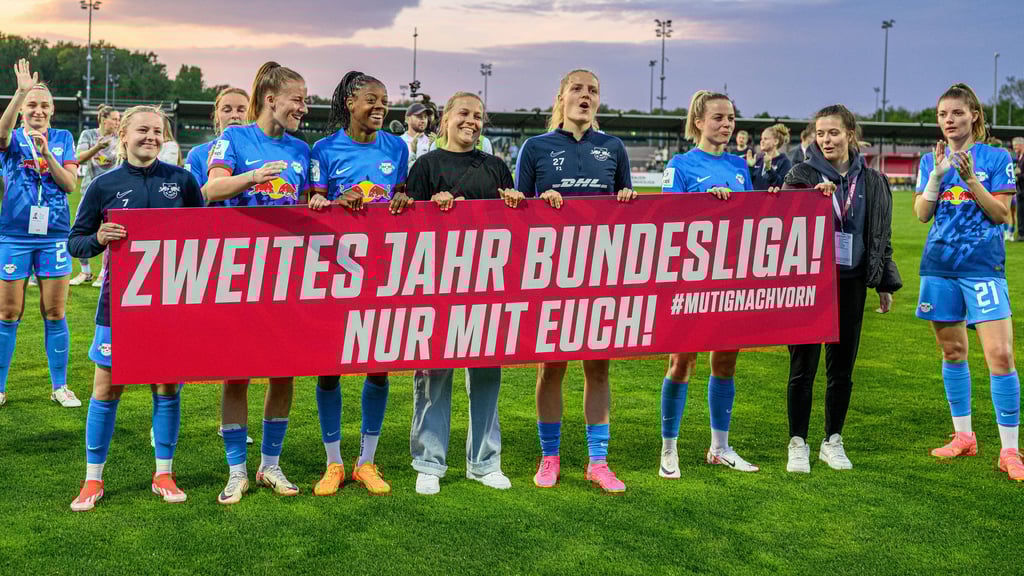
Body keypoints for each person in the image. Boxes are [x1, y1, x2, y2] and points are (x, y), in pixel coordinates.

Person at [67, 105, 205, 511]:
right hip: (118, 307)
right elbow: (75, 241)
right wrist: (99, 238)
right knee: (107, 388)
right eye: (143, 130)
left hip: (169, 307)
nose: (151, 137)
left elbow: (204, 238)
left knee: (166, 385)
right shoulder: (103, 186)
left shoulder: (182, 182)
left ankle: (164, 471)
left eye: (158, 131)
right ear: (123, 134)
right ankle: (93, 479)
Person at [515, 69, 636, 493]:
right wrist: (538, 204)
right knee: (552, 365)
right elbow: (516, 213)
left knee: (598, 367)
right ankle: (550, 457)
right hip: (551, 273)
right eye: (578, 89)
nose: (586, 96)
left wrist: (626, 199)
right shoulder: (536, 147)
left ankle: (598, 462)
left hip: (599, 273)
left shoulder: (613, 148)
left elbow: (628, 214)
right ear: (561, 97)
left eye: (593, 91)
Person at [402, 91, 521, 495]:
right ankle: (429, 462)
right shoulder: (425, 166)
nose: (472, 121)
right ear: (445, 120)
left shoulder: (497, 167)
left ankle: (485, 461)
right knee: (434, 374)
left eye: (479, 116)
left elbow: (514, 228)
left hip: (486, 284)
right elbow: (407, 230)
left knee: (487, 373)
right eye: (464, 114)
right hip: (437, 283)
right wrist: (430, 209)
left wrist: (516, 204)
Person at [205, 61, 311, 503]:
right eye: (298, 99)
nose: (304, 108)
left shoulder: (304, 150)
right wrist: (252, 177)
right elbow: (210, 192)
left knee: (283, 372)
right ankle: (236, 470)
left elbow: (307, 205)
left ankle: (270, 465)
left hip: (287, 276)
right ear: (271, 99)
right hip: (239, 274)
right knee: (237, 373)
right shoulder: (233, 138)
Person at [306, 70, 410, 497]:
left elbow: (403, 199)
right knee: (329, 368)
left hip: (382, 271)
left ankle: (366, 461)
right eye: (371, 99)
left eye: (384, 100)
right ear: (349, 101)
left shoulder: (397, 148)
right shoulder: (324, 150)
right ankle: (333, 463)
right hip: (334, 270)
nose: (380, 107)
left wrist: (405, 200)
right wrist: (333, 202)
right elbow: (311, 206)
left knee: (378, 365)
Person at [782, 104, 902, 473]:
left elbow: (882, 236)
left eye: (833, 132)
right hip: (810, 285)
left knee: (842, 369)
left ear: (851, 134)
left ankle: (832, 439)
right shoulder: (801, 174)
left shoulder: (874, 181)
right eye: (820, 133)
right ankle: (798, 442)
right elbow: (783, 223)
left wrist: (885, 281)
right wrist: (809, 201)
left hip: (851, 284)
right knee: (803, 367)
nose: (826, 139)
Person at [913, 83, 1022, 481]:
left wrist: (971, 180)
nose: (949, 121)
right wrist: (938, 176)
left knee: (1000, 356)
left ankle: (1010, 450)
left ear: (974, 115)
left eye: (956, 113)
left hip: (982, 268)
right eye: (943, 115)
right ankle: (965, 436)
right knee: (953, 353)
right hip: (939, 267)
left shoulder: (997, 158)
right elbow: (922, 214)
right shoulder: (932, 159)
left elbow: (1003, 215)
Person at [659, 90, 758, 476]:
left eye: (731, 118)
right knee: (682, 361)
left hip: (729, 278)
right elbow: (668, 217)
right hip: (690, 278)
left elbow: (750, 218)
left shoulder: (739, 165)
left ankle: (720, 446)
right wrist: (707, 205)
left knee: (726, 361)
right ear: (698, 121)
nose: (727, 124)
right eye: (718, 117)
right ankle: (669, 448)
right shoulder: (681, 164)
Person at [0, 59, 79, 409]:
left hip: (54, 235)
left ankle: (60, 386)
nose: (38, 110)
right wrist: (18, 93)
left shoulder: (63, 138)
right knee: (7, 312)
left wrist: (48, 152)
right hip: (14, 234)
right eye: (32, 104)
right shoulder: (12, 136)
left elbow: (69, 184)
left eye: (44, 105)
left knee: (55, 312)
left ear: (52, 110)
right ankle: (0, 388)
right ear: (22, 110)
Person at [71, 104, 119, 287]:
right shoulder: (89, 135)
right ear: (103, 119)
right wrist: (97, 147)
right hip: (89, 189)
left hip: (113, 192)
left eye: (118, 119)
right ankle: (85, 271)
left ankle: (103, 273)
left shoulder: (119, 137)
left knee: (110, 230)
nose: (117, 122)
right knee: (82, 230)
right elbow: (78, 158)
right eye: (114, 119)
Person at [184, 87, 248, 189]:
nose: (234, 115)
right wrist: (213, 175)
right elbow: (190, 201)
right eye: (227, 110)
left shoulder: (264, 152)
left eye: (241, 110)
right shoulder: (197, 155)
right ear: (217, 117)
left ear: (252, 115)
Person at [750, 123, 793, 190]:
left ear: (775, 141)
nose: (762, 141)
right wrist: (749, 168)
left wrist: (769, 169)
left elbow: (782, 185)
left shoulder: (784, 162)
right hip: (756, 199)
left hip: (773, 200)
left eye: (765, 139)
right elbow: (749, 183)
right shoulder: (758, 159)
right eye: (761, 139)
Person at [401, 102, 432, 170]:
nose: (423, 120)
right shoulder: (398, 142)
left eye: (425, 117)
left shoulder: (432, 142)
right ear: (407, 119)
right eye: (419, 116)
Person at [1012, 136, 1023, 241]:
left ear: (1021, 145)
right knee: (1020, 213)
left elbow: (1020, 173)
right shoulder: (1018, 157)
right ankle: (1021, 234)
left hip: (1022, 189)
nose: (1014, 147)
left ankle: (1021, 234)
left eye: (1015, 145)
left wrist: (1019, 175)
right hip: (1020, 190)